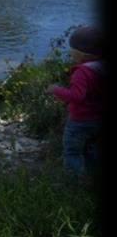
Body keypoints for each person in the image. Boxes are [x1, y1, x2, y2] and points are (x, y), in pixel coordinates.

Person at [46, 25, 105, 184]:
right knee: (92, 150)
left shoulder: (82, 72)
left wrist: (56, 90)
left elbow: (77, 96)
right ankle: (93, 178)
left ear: (81, 54)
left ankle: (74, 183)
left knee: (72, 151)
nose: (71, 53)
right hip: (97, 119)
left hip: (80, 121)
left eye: (72, 51)